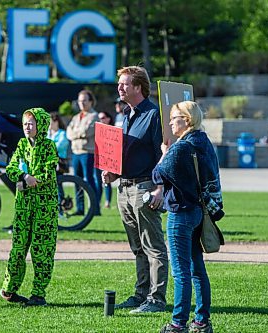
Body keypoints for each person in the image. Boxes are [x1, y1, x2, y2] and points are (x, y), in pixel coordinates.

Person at [102, 66, 168, 314]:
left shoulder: (154, 115)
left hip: (145, 187)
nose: (119, 88)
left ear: (139, 87)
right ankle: (141, 295)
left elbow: (164, 155)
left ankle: (156, 299)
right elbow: (125, 154)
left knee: (153, 246)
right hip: (124, 187)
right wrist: (112, 173)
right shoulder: (126, 115)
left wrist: (160, 187)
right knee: (137, 247)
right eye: (119, 83)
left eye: (124, 84)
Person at [155, 101, 224, 333]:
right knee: (197, 270)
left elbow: (157, 174)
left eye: (174, 117)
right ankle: (202, 321)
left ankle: (178, 323)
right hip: (198, 211)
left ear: (187, 119)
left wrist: (164, 153)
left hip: (181, 213)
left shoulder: (180, 148)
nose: (170, 122)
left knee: (181, 272)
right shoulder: (203, 142)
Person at [0, 108, 59, 307]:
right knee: (18, 247)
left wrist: (30, 181)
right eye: (25, 123)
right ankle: (9, 288)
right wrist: (25, 177)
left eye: (31, 123)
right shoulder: (22, 144)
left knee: (42, 250)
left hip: (45, 206)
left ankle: (38, 294)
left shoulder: (49, 146)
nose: (27, 127)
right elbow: (11, 168)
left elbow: (49, 172)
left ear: (40, 126)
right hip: (24, 205)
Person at [66, 89, 101, 215]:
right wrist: (78, 134)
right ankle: (80, 209)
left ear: (91, 101)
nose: (82, 103)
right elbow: (68, 133)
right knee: (77, 180)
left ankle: (95, 208)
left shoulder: (94, 116)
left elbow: (88, 132)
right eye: (80, 101)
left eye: (84, 101)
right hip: (76, 152)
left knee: (90, 181)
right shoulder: (76, 117)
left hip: (88, 153)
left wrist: (76, 133)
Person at [97, 111, 114, 208]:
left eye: (103, 118)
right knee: (98, 181)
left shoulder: (113, 130)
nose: (101, 120)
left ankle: (107, 201)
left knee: (107, 180)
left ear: (108, 118)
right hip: (100, 157)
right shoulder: (98, 131)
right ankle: (98, 201)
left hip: (109, 158)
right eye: (99, 118)